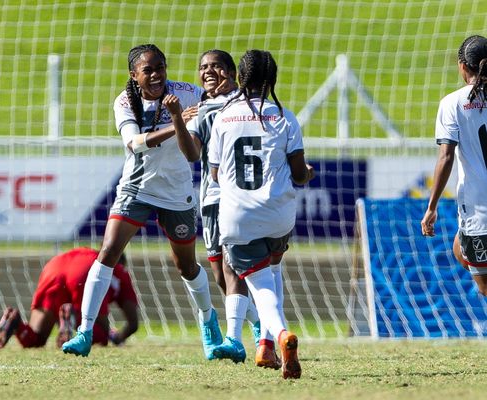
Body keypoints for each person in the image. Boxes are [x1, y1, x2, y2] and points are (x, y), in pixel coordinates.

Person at [62, 44, 222, 360]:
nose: (156, 75)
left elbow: (210, 115)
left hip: (176, 191)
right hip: (136, 188)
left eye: (160, 67)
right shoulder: (125, 102)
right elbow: (134, 144)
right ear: (134, 75)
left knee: (186, 265)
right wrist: (174, 122)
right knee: (108, 251)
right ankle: (85, 331)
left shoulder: (186, 94)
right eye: (147, 70)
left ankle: (209, 322)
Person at [208, 49, 315, 379]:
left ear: (239, 79)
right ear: (272, 81)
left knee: (260, 285)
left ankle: (281, 334)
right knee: (272, 271)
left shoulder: (224, 118)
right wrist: (306, 173)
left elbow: (213, 174)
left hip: (239, 216)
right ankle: (265, 345)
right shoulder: (285, 117)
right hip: (279, 214)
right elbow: (298, 174)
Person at [171, 49, 280, 368]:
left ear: (233, 74)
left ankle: (248, 336)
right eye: (203, 67)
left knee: (238, 270)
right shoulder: (202, 108)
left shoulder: (243, 106)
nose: (208, 72)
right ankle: (261, 328)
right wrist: (179, 118)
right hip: (210, 201)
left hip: (238, 199)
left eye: (216, 66)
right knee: (221, 273)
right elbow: (193, 153)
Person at [421, 35, 487, 296]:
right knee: (459, 248)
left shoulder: (452, 103)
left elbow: (446, 157)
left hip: (479, 211)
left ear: (463, 66)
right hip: (474, 216)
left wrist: (431, 208)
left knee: (484, 288)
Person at [0, 247, 138, 349]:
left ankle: (15, 321)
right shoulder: (117, 270)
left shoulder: (84, 253)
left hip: (54, 267)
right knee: (100, 335)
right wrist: (117, 337)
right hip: (87, 270)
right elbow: (133, 324)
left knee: (36, 340)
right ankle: (72, 314)